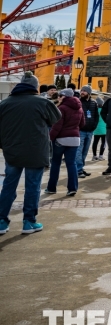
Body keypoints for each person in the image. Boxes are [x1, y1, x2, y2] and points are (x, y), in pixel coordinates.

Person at [0, 73, 61, 235]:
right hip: (36, 151)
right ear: (35, 86)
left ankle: (1, 221)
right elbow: (55, 119)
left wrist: (4, 145)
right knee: (33, 186)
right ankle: (29, 222)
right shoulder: (43, 103)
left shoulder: (4, 104)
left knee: (8, 185)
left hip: (12, 151)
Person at [46, 88, 83, 197]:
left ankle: (51, 188)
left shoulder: (61, 108)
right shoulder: (79, 108)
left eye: (59, 95)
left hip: (61, 139)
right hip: (75, 139)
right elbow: (82, 123)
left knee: (56, 163)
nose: (58, 97)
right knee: (71, 164)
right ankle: (73, 188)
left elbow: (57, 127)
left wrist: (50, 139)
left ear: (64, 96)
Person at [77, 85, 99, 178]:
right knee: (79, 150)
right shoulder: (78, 102)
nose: (82, 92)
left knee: (85, 151)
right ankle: (78, 170)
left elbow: (96, 116)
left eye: (84, 91)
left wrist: (94, 126)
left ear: (89, 93)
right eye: (81, 90)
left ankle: (81, 167)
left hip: (90, 131)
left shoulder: (94, 103)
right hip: (80, 131)